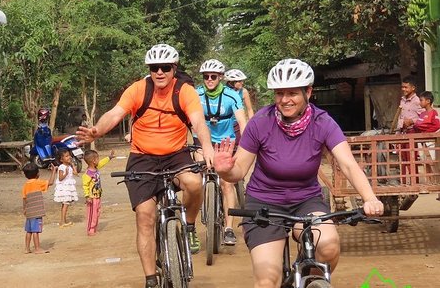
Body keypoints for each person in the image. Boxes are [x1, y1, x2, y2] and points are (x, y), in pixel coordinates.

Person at [213, 58, 383, 288]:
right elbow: (240, 170)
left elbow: (349, 165)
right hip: (264, 205)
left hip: (306, 201)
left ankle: (307, 280)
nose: (285, 100)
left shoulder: (323, 122)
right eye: (279, 93)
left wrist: (369, 197)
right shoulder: (260, 123)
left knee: (329, 245)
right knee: (266, 281)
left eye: (292, 93)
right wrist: (226, 170)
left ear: (308, 92)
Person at [76, 43, 213, 288]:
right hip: (142, 157)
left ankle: (189, 225)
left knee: (194, 182)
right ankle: (151, 278)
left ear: (174, 69)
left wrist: (208, 148)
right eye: (154, 68)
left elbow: (198, 122)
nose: (159, 72)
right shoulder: (139, 89)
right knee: (145, 216)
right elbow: (115, 114)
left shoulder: (185, 91)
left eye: (165, 68)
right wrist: (97, 131)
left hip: (176, 154)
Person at [196, 59, 248, 246]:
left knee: (227, 184)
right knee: (198, 175)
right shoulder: (196, 94)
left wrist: (243, 148)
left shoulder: (232, 96)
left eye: (213, 76)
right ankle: (203, 207)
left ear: (220, 77)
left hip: (226, 143)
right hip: (203, 141)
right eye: (205, 77)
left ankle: (228, 228)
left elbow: (242, 123)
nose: (209, 80)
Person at [22, 162, 57, 254]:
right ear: (37, 173)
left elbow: (24, 199)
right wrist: (53, 171)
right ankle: (37, 248)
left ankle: (27, 248)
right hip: (37, 211)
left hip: (29, 211)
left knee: (28, 231)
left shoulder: (26, 185)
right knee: (35, 231)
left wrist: (24, 209)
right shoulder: (38, 182)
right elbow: (51, 182)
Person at [82, 149, 116, 236]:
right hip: (92, 197)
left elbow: (102, 163)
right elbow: (85, 185)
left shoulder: (96, 168)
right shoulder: (88, 174)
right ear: (93, 161)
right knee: (92, 214)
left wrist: (109, 157)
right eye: (97, 158)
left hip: (98, 196)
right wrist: (87, 196)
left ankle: (94, 227)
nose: (98, 160)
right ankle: (90, 229)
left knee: (97, 212)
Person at [54, 148, 79, 227]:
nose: (69, 157)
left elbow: (76, 173)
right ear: (61, 159)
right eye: (66, 156)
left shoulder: (69, 166)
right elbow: (60, 178)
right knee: (66, 204)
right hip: (64, 188)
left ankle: (63, 221)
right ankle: (63, 221)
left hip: (68, 187)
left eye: (69, 155)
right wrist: (66, 173)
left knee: (65, 204)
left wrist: (73, 165)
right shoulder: (62, 167)